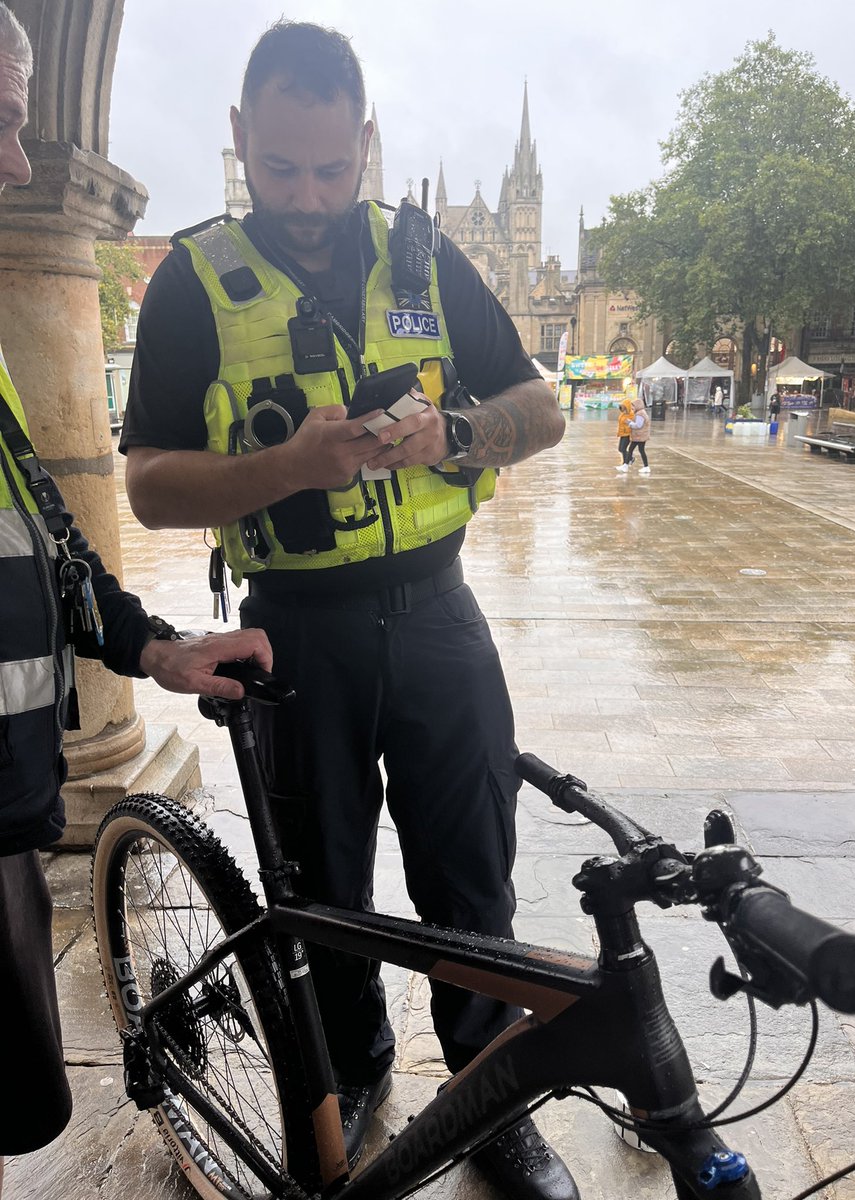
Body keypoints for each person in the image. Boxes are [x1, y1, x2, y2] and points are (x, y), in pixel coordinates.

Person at [121, 20, 575, 1200]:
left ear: (366, 142)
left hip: (439, 615)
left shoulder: (425, 258)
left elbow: (546, 404)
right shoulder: (191, 281)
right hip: (293, 629)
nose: (308, 196)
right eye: (280, 169)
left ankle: (489, 1097)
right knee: (319, 889)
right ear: (238, 141)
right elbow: (147, 481)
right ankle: (354, 1064)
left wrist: (461, 431)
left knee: (474, 879)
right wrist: (287, 470)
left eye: (332, 168)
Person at [0, 9, 274, 1193]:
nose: (18, 165)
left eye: (21, 124)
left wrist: (160, 650)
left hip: (4, 820)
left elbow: (49, 547)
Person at [615, 398, 651, 474]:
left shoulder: (639, 414)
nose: (632, 408)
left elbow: (638, 425)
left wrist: (629, 423)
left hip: (639, 436)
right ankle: (644, 467)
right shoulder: (640, 413)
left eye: (633, 406)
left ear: (638, 406)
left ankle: (626, 466)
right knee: (639, 450)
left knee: (631, 450)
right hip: (640, 435)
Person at [616, 397, 635, 464]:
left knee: (623, 449)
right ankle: (630, 457)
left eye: (623, 407)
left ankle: (625, 463)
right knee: (620, 449)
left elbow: (633, 424)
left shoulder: (631, 415)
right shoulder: (623, 414)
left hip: (627, 434)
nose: (622, 408)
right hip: (622, 433)